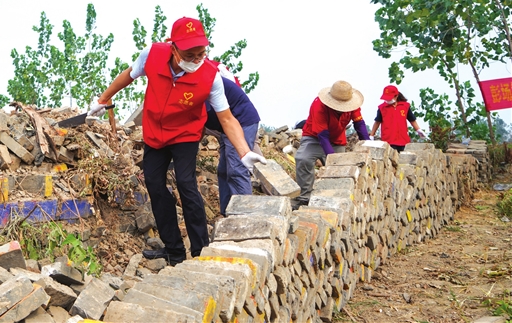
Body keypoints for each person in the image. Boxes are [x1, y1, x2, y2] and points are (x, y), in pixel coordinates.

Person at [88, 17, 266, 265]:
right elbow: (128, 75)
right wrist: (103, 99)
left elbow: (226, 118)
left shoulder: (210, 77)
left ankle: (200, 250)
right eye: (189, 55)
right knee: (154, 184)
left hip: (185, 134)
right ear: (173, 48)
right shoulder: (152, 55)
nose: (196, 60)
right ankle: (174, 250)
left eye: (201, 54)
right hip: (155, 132)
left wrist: (244, 151)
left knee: (186, 183)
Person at [293, 80, 370, 210]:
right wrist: (333, 159)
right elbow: (322, 136)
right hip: (314, 137)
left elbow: (359, 124)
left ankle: (334, 198)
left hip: (337, 140)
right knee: (303, 158)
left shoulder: (352, 105)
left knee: (340, 171)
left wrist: (368, 145)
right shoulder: (319, 105)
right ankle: (305, 197)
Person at [204, 72, 261, 216]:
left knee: (236, 168)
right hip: (225, 126)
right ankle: (227, 214)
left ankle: (244, 216)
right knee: (223, 171)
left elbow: (198, 124)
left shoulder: (202, 81)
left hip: (241, 121)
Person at [370, 85, 426, 152]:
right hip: (388, 141)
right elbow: (377, 122)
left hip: (403, 140)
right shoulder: (382, 108)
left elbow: (412, 119)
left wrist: (418, 130)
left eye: (389, 98)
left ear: (396, 96)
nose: (387, 100)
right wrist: (372, 135)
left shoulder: (405, 106)